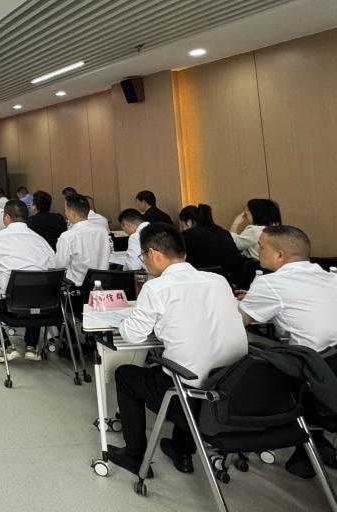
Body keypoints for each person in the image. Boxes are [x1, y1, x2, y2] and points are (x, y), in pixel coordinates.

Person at [109, 224, 247, 476]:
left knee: (126, 375)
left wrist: (128, 320)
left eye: (143, 256)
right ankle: (182, 451)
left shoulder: (156, 287)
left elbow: (133, 335)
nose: (144, 262)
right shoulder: (218, 281)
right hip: (233, 387)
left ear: (153, 253)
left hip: (189, 396)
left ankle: (135, 456)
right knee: (194, 363)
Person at [237, 225, 337, 475]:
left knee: (248, 361)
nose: (258, 251)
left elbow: (236, 322)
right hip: (330, 369)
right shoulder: (330, 277)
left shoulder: (271, 283)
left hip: (310, 372)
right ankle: (314, 444)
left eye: (261, 247)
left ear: (280, 255)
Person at [0, 200, 56, 362]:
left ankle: (5, 346)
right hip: (42, 303)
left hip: (9, 302)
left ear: (7, 217)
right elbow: (54, 266)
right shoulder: (40, 240)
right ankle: (31, 346)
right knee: (34, 291)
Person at [54, 194, 110, 285]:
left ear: (72, 213)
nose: (65, 213)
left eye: (65, 209)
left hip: (76, 287)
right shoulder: (102, 231)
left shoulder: (67, 237)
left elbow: (59, 265)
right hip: (102, 284)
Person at [178, 204, 242, 276]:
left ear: (189, 223)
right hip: (227, 277)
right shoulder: (224, 232)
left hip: (198, 277)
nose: (182, 229)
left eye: (182, 225)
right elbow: (237, 259)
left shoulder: (186, 235)